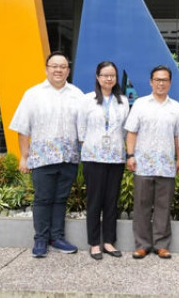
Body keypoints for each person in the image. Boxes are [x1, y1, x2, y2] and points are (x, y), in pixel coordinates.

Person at [10, 51, 83, 258]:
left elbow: (83, 128)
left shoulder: (77, 95)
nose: (58, 70)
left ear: (68, 70)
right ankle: (40, 239)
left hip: (68, 158)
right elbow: (23, 128)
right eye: (54, 66)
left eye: (63, 66)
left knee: (61, 199)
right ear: (46, 69)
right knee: (42, 198)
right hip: (42, 158)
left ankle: (57, 237)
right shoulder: (33, 94)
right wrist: (24, 157)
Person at [124, 65, 179, 259]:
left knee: (163, 206)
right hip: (143, 164)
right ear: (151, 82)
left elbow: (177, 137)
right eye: (157, 80)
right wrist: (130, 155)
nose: (161, 83)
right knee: (141, 206)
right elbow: (131, 132)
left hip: (166, 165)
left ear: (170, 83)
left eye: (164, 80)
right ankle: (142, 245)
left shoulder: (176, 107)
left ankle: (161, 245)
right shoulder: (140, 104)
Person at [79, 61, 130, 260]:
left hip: (116, 157)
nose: (109, 79)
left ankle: (109, 242)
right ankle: (94, 243)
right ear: (98, 77)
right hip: (93, 156)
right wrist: (91, 145)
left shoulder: (123, 101)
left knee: (111, 201)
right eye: (105, 75)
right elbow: (81, 129)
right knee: (94, 201)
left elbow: (126, 129)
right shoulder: (87, 100)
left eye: (112, 75)